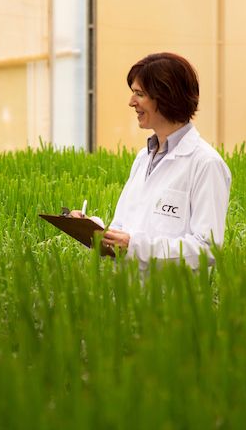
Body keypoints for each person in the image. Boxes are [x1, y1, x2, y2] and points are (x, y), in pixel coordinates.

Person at [77, 52, 231, 271]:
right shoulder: (143, 158)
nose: (131, 102)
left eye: (139, 94)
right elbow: (124, 229)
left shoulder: (205, 164)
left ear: (166, 96)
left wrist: (134, 246)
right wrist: (88, 228)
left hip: (172, 301)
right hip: (127, 295)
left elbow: (206, 248)